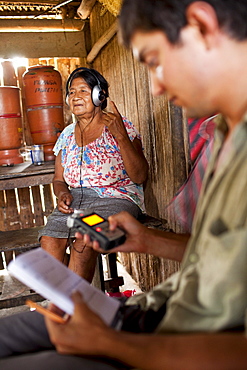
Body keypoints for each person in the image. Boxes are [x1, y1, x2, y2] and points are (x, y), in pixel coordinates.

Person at [0, 0, 247, 368]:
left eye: (153, 60)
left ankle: (76, 312)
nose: (156, 86)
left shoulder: (124, 128)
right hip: (161, 309)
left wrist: (112, 344)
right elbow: (225, 257)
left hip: (180, 341)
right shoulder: (228, 135)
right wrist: (148, 239)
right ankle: (71, 306)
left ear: (200, 25)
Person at [39, 67, 148, 281]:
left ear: (99, 95)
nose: (76, 96)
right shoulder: (67, 135)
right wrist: (62, 194)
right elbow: (59, 180)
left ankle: (76, 307)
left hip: (116, 199)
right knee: (49, 241)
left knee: (84, 240)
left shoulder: (120, 126)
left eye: (83, 90)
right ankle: (69, 303)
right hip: (78, 202)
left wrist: (121, 137)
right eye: (71, 92)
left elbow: (140, 176)